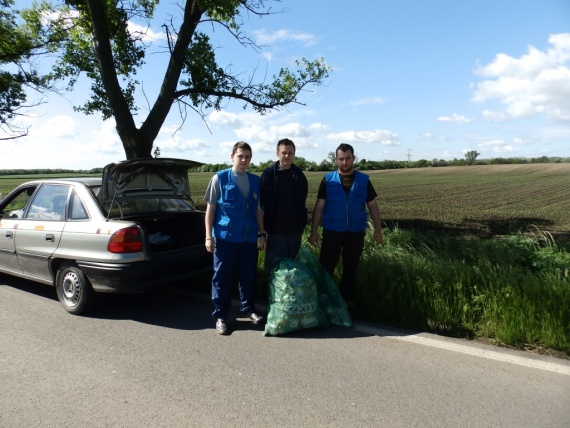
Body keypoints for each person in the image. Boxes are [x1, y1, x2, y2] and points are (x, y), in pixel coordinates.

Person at [308, 143, 383, 309]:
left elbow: (372, 205)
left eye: (348, 158)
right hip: (332, 231)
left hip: (355, 232)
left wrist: (378, 229)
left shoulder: (364, 180)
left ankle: (346, 301)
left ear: (353, 158)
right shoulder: (328, 180)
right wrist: (313, 231)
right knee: (326, 266)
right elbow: (319, 206)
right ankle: (324, 299)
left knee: (351, 267)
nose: (344, 162)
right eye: (341, 159)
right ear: (335, 159)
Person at [204, 141, 267, 335]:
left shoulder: (255, 180)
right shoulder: (220, 178)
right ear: (232, 156)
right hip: (225, 238)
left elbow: (257, 210)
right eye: (240, 156)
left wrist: (262, 234)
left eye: (247, 157)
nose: (244, 160)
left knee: (248, 277)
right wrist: (208, 236)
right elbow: (210, 209)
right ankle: (221, 316)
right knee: (222, 278)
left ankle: (249, 309)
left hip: (248, 238)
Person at [260, 138, 309, 274]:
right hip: (274, 232)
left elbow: (302, 203)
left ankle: (290, 296)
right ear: (277, 154)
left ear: (294, 154)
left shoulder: (299, 175)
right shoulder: (268, 174)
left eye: (290, 153)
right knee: (274, 269)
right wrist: (262, 232)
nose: (287, 156)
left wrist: (302, 224)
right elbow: (259, 204)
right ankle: (272, 295)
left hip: (294, 232)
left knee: (292, 269)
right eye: (284, 153)